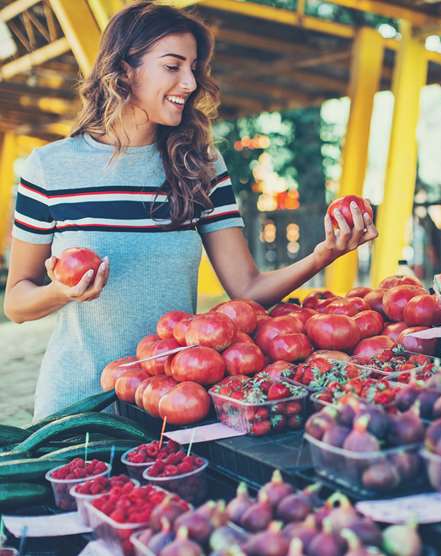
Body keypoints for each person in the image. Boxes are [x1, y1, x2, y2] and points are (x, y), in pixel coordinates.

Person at [3, 1, 377, 422]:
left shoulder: (199, 164)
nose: (190, 82)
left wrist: (324, 254)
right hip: (76, 403)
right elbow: (16, 302)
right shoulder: (50, 167)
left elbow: (248, 289)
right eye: (173, 66)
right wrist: (60, 292)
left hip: (175, 404)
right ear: (125, 70)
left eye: (195, 68)